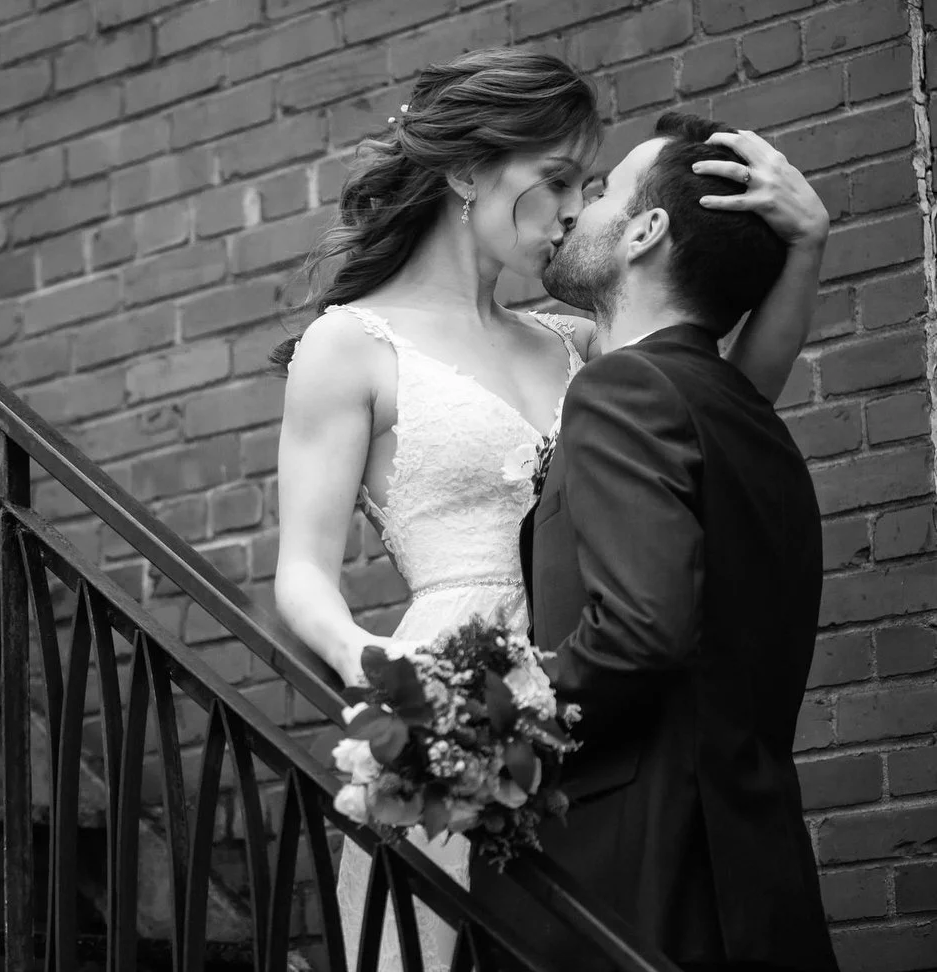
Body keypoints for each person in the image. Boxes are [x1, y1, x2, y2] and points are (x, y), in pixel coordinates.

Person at [272, 50, 829, 972]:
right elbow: (300, 571)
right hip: (464, 695)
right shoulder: (350, 345)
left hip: (599, 698)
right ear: (466, 172)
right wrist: (385, 674)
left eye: (589, 183)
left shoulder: (576, 344)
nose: (575, 209)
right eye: (557, 179)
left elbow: (728, 402)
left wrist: (806, 246)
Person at [466, 113, 839, 972]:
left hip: (635, 883)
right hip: (755, 878)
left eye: (601, 193)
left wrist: (485, 724)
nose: (579, 209)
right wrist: (807, 245)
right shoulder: (744, 417)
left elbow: (642, 629)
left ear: (645, 230)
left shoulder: (620, 388)